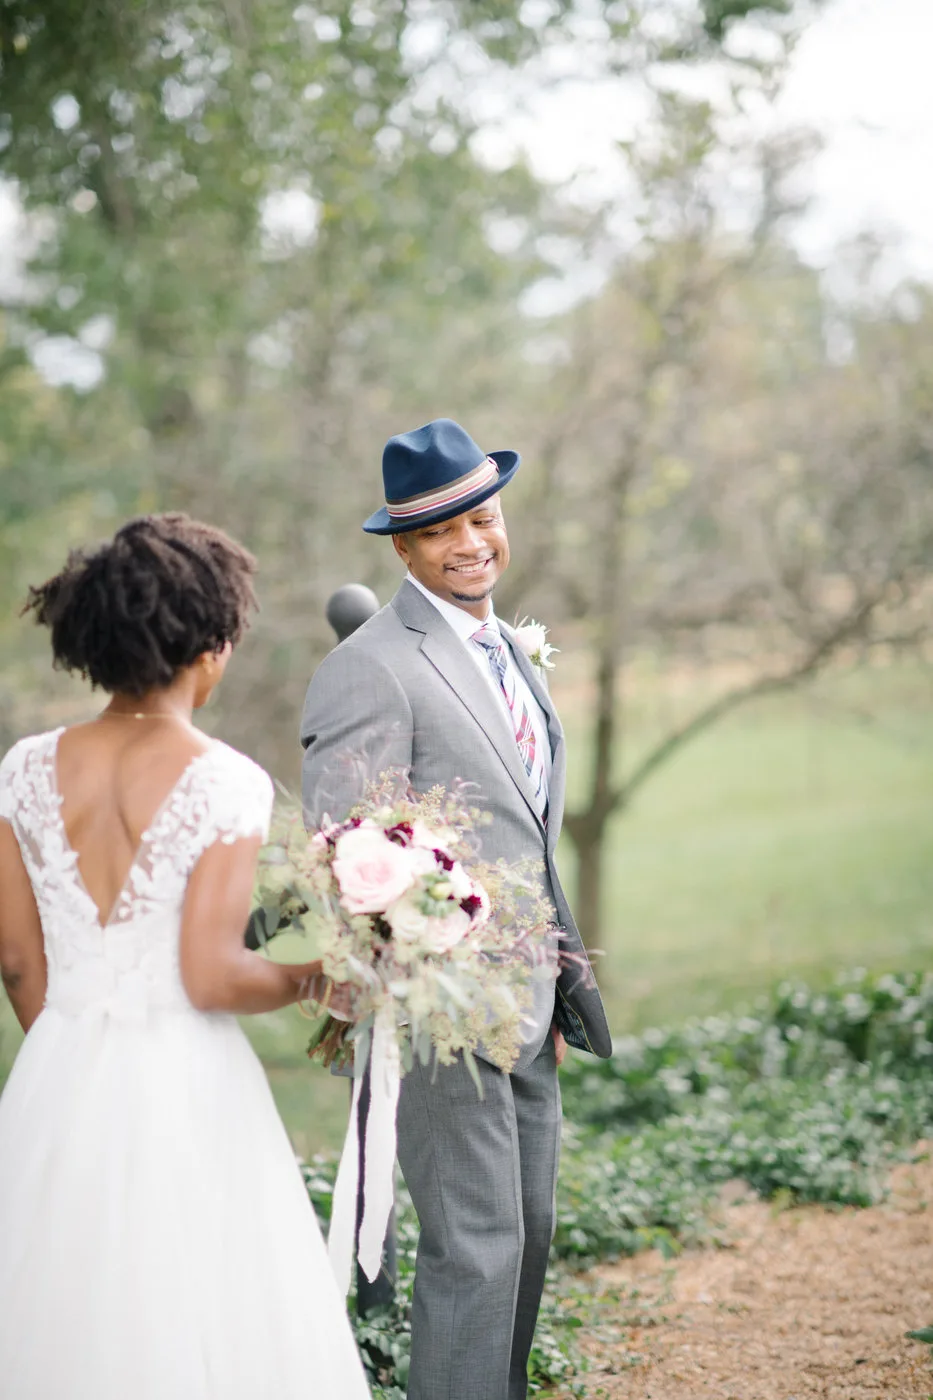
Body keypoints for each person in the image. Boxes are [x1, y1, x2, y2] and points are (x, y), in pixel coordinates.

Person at [0, 513, 369, 1400]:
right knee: (204, 1304)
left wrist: (72, 1045)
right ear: (210, 642)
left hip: (55, 1064)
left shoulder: (21, 767)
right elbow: (211, 974)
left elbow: (16, 958)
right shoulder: (221, 777)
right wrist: (317, 977)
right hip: (186, 1079)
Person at [300, 418, 612, 1400]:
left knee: (522, 1241)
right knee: (473, 1255)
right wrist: (406, 987)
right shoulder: (372, 664)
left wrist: (553, 983)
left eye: (484, 516)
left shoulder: (505, 647)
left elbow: (528, 831)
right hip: (439, 1019)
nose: (472, 541)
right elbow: (342, 853)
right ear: (402, 545)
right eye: (442, 531)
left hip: (527, 1008)